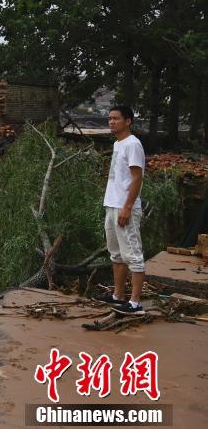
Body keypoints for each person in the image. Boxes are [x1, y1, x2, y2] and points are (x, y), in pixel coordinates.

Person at [94, 105, 146, 315]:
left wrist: (127, 206)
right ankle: (118, 295)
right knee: (116, 254)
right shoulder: (118, 144)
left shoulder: (133, 144)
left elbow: (137, 178)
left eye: (116, 118)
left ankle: (135, 302)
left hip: (125, 208)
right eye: (109, 118)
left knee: (133, 254)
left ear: (128, 121)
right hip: (112, 205)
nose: (111, 122)